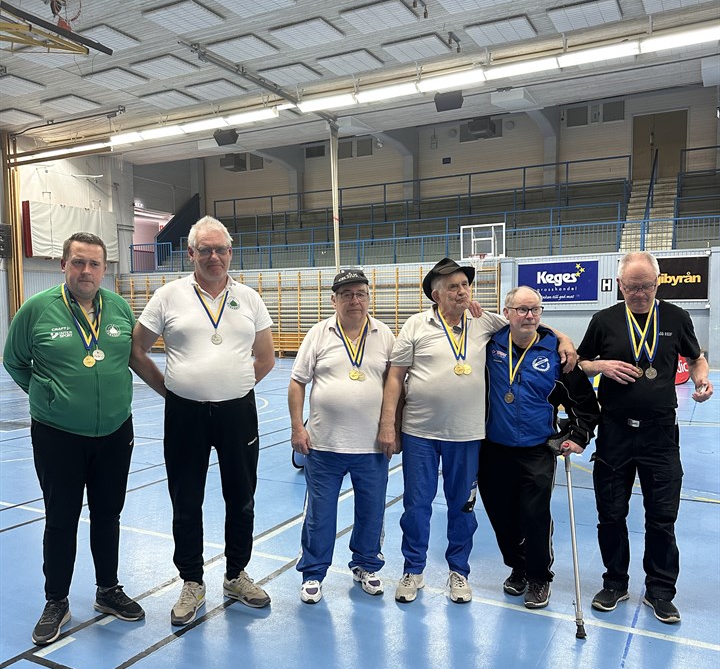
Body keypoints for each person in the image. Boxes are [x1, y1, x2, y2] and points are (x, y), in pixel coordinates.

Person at [378, 257, 576, 605]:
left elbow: (526, 322)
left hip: (467, 436)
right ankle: (413, 569)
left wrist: (564, 338)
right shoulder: (415, 325)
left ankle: (459, 571)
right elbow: (395, 376)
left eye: (465, 285)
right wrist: (387, 424)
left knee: (462, 507)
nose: (462, 292)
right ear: (436, 294)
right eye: (453, 287)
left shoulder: (484, 321)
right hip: (420, 433)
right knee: (416, 505)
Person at [3, 232, 153, 645]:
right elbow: (14, 360)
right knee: (61, 518)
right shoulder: (36, 309)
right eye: (78, 262)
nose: (86, 271)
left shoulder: (119, 308)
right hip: (58, 435)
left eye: (94, 264)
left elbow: (134, 358)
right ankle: (56, 600)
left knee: (108, 514)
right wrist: (46, 394)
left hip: (115, 432)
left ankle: (108, 590)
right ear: (64, 265)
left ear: (104, 269)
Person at [131, 216, 275, 626]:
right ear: (191, 253)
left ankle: (236, 574)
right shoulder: (168, 296)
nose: (214, 257)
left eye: (221, 249)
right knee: (186, 498)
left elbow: (265, 358)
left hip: (237, 413)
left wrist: (234, 386)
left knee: (241, 496)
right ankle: (192, 581)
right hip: (185, 415)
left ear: (231, 252)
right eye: (206, 250)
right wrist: (172, 392)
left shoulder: (249, 298)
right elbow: (136, 352)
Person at [577, 251, 713, 624]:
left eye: (647, 287)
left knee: (662, 517)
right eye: (632, 287)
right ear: (620, 285)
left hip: (660, 434)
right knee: (610, 514)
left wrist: (702, 379)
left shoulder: (676, 317)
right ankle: (615, 582)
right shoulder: (604, 320)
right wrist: (600, 365)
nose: (640, 294)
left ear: (658, 283)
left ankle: (660, 591)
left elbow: (697, 358)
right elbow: (580, 363)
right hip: (615, 433)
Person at [479, 286, 599, 610]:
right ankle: (518, 567)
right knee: (501, 517)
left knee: (534, 516)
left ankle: (538, 576)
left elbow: (585, 404)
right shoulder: (488, 346)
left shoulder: (557, 354)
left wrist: (579, 435)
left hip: (537, 449)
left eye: (535, 309)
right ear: (507, 313)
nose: (529, 315)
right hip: (493, 449)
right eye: (522, 309)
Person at [288, 268, 396, 604]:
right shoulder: (318, 333)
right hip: (323, 446)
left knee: (371, 513)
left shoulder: (384, 334)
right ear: (333, 300)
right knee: (319, 515)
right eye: (346, 295)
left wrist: (391, 426)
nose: (354, 300)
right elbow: (297, 382)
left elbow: (395, 385)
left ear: (369, 298)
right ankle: (313, 572)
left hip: (372, 446)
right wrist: (297, 427)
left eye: (360, 294)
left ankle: (366, 565)